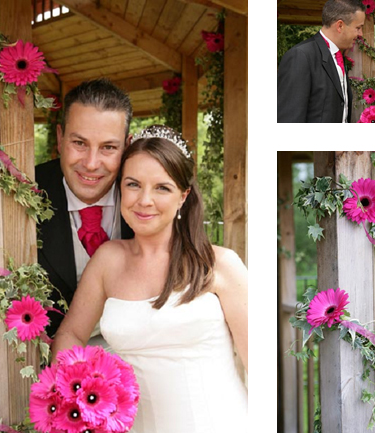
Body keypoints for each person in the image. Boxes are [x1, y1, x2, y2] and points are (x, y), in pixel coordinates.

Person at [51, 125, 248, 433]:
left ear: (183, 196)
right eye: (133, 184)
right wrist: (76, 393)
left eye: (162, 188)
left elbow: (261, 368)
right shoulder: (107, 260)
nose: (144, 200)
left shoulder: (220, 265)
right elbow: (71, 335)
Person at [36, 78, 134, 337]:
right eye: (79, 143)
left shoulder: (146, 195)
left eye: (108, 147)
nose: (91, 164)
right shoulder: (24, 191)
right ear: (60, 138)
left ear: (127, 146)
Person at [277, 0, 365, 123]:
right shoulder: (301, 56)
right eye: (358, 28)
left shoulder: (338, 56)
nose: (361, 34)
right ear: (340, 26)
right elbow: (289, 120)